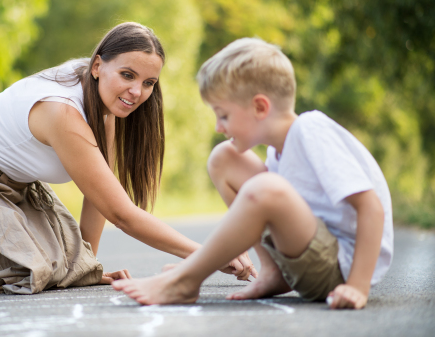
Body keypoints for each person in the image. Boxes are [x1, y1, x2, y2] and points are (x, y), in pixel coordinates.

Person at [0, 22, 257, 298]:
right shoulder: (64, 112)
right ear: (98, 65)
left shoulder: (106, 108)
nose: (137, 92)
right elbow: (123, 214)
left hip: (7, 186)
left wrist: (88, 267)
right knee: (37, 270)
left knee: (66, 266)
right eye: (128, 75)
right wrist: (208, 254)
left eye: (148, 82)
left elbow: (100, 200)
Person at [112, 37, 394, 310]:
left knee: (267, 189)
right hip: (307, 257)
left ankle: (185, 281)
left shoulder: (311, 131)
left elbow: (371, 207)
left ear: (260, 107)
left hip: (339, 269)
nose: (218, 127)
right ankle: (273, 273)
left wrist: (357, 286)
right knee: (223, 158)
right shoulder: (278, 152)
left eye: (223, 115)